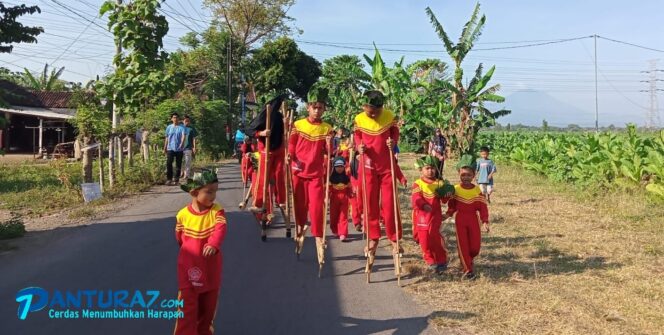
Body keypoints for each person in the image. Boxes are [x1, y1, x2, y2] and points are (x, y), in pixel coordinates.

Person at [354, 90, 406, 265]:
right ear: (364, 107)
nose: (374, 113)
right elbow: (357, 136)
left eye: (377, 110)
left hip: (386, 167)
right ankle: (373, 236)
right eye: (370, 110)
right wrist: (358, 146)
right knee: (370, 204)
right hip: (368, 166)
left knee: (390, 203)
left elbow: (395, 132)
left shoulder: (389, 116)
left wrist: (393, 141)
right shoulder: (359, 119)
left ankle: (394, 237)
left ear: (382, 107)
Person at [173, 169, 227, 335]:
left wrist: (213, 244)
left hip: (210, 268)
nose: (213, 196)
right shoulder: (182, 215)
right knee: (186, 308)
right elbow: (179, 237)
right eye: (208, 192)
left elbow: (220, 228)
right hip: (188, 268)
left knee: (207, 308)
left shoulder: (216, 211)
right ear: (194, 192)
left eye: (215, 191)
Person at [287, 86, 333, 256]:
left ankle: (319, 236)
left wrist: (329, 143)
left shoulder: (327, 128)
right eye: (314, 107)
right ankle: (299, 228)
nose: (317, 110)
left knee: (316, 206)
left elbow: (330, 152)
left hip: (315, 173)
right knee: (299, 205)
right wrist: (289, 156)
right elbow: (291, 144)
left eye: (320, 107)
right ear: (308, 108)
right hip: (298, 170)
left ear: (324, 109)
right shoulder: (298, 125)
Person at [444, 156, 490, 280]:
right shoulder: (456, 189)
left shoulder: (477, 190)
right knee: (463, 245)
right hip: (460, 219)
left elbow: (483, 207)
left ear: (474, 175)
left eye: (469, 175)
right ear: (459, 174)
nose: (466, 178)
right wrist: (447, 214)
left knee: (475, 247)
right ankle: (467, 270)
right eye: (463, 175)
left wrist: (485, 221)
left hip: (473, 219)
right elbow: (452, 206)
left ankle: (469, 260)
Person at [245, 95, 288, 219]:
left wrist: (287, 125)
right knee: (263, 177)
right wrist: (261, 133)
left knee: (280, 174)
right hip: (266, 150)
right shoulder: (263, 116)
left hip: (279, 149)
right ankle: (258, 203)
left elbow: (285, 133)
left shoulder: (280, 117)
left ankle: (281, 200)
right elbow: (248, 129)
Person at [411, 156, 454, 274]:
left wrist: (448, 193)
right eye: (427, 168)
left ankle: (441, 260)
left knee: (434, 237)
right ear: (421, 170)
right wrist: (423, 205)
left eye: (433, 168)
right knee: (424, 239)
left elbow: (444, 200)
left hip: (435, 216)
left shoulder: (439, 183)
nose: (430, 171)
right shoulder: (417, 183)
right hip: (421, 216)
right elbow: (416, 197)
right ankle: (430, 260)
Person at [329, 157, 352, 242]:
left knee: (343, 216)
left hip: (344, 199)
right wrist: (326, 194)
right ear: (334, 167)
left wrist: (351, 194)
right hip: (334, 198)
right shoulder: (331, 178)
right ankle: (335, 229)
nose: (339, 168)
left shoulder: (346, 178)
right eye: (337, 166)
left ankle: (343, 233)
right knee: (334, 216)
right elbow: (329, 188)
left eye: (341, 166)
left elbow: (350, 188)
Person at [164, 113, 186, 185]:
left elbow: (183, 136)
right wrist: (165, 147)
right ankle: (169, 179)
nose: (175, 119)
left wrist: (182, 143)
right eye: (174, 117)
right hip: (170, 148)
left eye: (176, 117)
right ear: (171, 119)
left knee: (178, 164)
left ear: (179, 119)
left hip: (179, 149)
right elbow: (167, 138)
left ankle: (176, 180)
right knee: (169, 163)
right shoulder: (169, 127)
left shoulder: (182, 127)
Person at [181, 115, 198, 180]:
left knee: (187, 162)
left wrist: (194, 147)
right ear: (183, 121)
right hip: (180, 148)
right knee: (181, 161)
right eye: (185, 121)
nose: (187, 122)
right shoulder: (180, 128)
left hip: (188, 147)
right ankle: (181, 173)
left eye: (188, 121)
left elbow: (194, 138)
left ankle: (186, 175)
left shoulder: (192, 128)